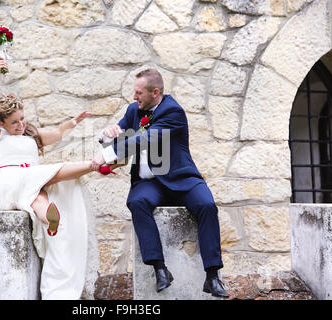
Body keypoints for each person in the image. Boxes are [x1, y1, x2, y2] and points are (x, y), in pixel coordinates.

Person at [92, 69, 229, 298]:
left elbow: (143, 139)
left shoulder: (172, 111)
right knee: (137, 202)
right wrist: (108, 135)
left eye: (139, 93)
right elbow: (121, 135)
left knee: (206, 205)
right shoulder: (134, 110)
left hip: (181, 179)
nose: (134, 97)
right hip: (150, 183)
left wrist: (106, 156)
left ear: (155, 92)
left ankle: (212, 276)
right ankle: (160, 269)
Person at [0, 57, 97, 299]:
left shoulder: (31, 135)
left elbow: (56, 133)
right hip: (5, 181)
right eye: (14, 122)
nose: (20, 125)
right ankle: (95, 165)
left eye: (22, 119)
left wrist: (73, 122)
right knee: (43, 177)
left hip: (28, 183)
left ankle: (49, 220)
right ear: (1, 123)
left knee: (38, 194)